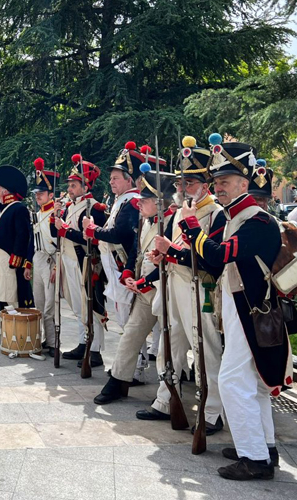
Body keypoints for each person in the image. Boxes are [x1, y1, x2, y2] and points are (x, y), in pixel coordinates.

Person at [172, 137, 290, 480]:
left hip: (252, 309)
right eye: (216, 181)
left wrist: (191, 226)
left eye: (224, 181)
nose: (217, 187)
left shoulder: (258, 222)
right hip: (242, 308)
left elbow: (217, 255)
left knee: (233, 380)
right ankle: (263, 448)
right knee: (251, 383)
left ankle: (253, 458)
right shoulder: (238, 218)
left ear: (244, 183)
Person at [140, 136, 227, 432]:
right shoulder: (180, 210)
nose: (181, 188)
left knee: (206, 350)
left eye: (188, 183)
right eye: (180, 183)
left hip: (198, 288)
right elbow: (176, 248)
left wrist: (171, 252)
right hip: (173, 284)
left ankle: (213, 411)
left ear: (206, 184)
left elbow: (210, 261)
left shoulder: (216, 214)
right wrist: (161, 254)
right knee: (168, 346)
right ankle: (165, 400)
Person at [94, 169, 176, 404]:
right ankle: (118, 382)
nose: (139, 205)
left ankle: (171, 394)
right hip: (144, 291)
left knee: (172, 347)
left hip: (167, 293)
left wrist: (143, 281)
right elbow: (137, 252)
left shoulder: (173, 222)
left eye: (145, 201)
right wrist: (129, 273)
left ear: (159, 203)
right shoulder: (145, 220)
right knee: (130, 335)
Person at [82, 141, 148, 329]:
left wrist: (92, 229)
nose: (111, 181)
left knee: (129, 321)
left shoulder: (132, 202)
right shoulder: (123, 201)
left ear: (129, 180)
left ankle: (139, 358)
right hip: (117, 267)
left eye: (116, 178)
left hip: (123, 266)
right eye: (111, 178)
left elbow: (118, 234)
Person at [54, 155, 107, 367]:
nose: (70, 188)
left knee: (91, 306)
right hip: (69, 260)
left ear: (86, 186)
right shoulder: (68, 207)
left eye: (74, 185)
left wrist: (65, 230)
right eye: (70, 185)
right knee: (77, 305)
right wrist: (56, 217)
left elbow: (93, 241)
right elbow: (57, 233)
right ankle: (82, 342)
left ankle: (95, 350)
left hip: (86, 262)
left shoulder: (95, 208)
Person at [0, 164, 33, 310]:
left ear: (5, 191)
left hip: (8, 257)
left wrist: (17, 257)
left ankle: (16, 325)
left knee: (11, 293)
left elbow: (22, 235)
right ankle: (8, 325)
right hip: (0, 256)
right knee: (2, 294)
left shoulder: (19, 208)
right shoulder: (5, 208)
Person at [30, 159, 60, 355]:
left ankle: (54, 342)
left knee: (51, 304)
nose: (38, 196)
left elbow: (60, 242)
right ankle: (43, 339)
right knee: (39, 304)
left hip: (52, 259)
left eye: (41, 193)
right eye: (37, 194)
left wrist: (57, 265)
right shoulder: (38, 214)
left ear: (51, 194)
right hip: (38, 258)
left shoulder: (56, 213)